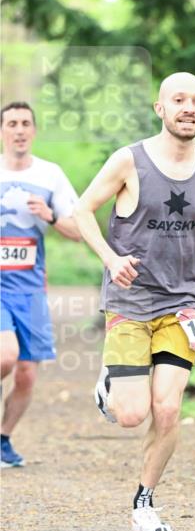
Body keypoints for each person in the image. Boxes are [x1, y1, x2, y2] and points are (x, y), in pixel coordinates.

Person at [74, 71, 195, 531]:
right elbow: (82, 211)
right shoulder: (130, 160)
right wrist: (111, 259)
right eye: (179, 100)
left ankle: (144, 502)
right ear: (160, 108)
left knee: (167, 409)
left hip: (181, 304)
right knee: (131, 414)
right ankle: (111, 386)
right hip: (129, 300)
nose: (189, 108)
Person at [1, 101, 81, 467]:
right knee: (5, 355)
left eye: (25, 123)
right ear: (2, 131)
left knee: (27, 375)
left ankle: (3, 439)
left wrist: (50, 216)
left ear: (33, 131)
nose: (19, 130)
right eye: (12, 123)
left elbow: (77, 230)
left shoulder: (51, 175)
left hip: (31, 290)